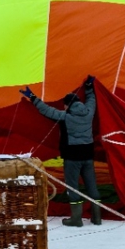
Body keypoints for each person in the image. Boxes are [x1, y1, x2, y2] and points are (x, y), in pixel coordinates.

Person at [20, 76, 100, 227]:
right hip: (88, 156)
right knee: (91, 185)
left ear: (67, 105)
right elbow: (92, 100)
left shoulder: (65, 117)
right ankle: (97, 218)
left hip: (72, 157)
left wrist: (32, 97)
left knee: (72, 186)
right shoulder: (89, 112)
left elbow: (47, 110)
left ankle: (76, 219)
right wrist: (89, 87)